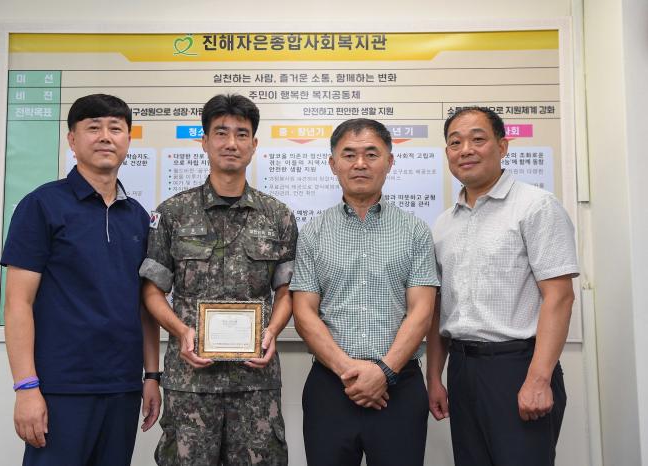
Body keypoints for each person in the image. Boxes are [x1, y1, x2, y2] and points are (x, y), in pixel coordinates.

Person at [2, 93, 161, 466]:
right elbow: (17, 303)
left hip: (122, 388)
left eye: (115, 128)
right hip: (61, 388)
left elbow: (145, 304)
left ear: (128, 140)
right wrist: (26, 388)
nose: (105, 136)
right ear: (72, 140)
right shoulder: (41, 206)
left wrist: (151, 375)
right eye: (93, 128)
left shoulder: (137, 216)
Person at [139, 93, 298, 466]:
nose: (231, 143)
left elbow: (287, 289)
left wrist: (273, 330)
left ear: (254, 145)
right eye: (221, 133)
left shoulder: (278, 216)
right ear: (205, 141)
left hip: (255, 385)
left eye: (242, 134)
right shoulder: (173, 213)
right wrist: (181, 331)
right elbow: (152, 290)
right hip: (190, 384)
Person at [426, 106, 579, 466]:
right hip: (463, 369)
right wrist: (434, 376)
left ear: (503, 146)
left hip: (518, 366)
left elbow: (559, 297)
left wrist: (539, 380)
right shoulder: (444, 224)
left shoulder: (535, 207)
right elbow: (438, 309)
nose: (466, 149)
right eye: (455, 142)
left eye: (478, 139)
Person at [290, 118, 439, 466]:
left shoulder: (415, 231)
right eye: (349, 155)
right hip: (331, 388)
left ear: (389, 160)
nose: (360, 163)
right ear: (333, 164)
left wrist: (383, 372)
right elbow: (304, 312)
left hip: (399, 388)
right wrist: (351, 372)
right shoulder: (313, 232)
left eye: (371, 154)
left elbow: (422, 312)